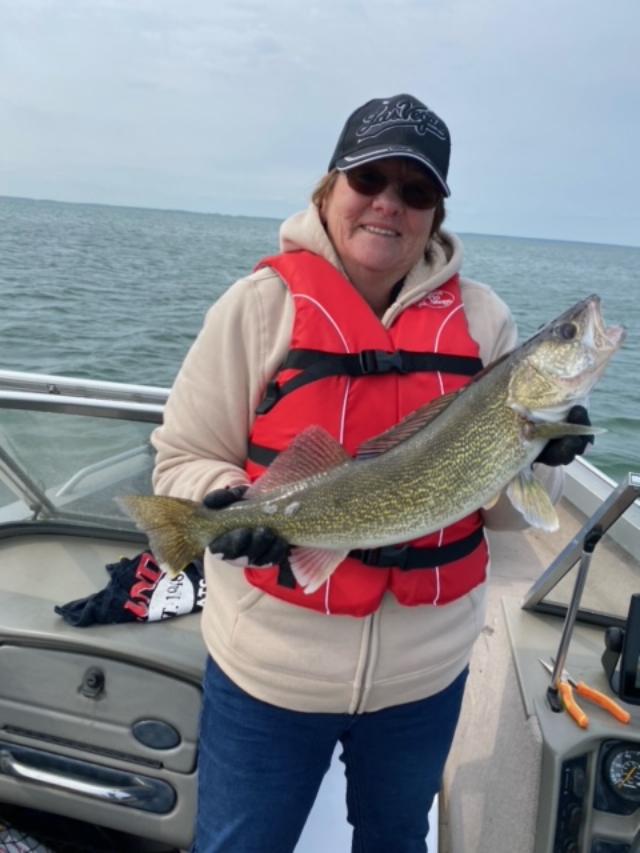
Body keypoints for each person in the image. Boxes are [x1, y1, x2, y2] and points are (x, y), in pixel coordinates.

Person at [152, 93, 592, 853]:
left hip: (423, 680)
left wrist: (540, 458)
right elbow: (181, 455)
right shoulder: (259, 306)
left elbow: (510, 517)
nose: (388, 204)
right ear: (331, 187)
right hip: (270, 675)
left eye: (414, 190)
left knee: (394, 840)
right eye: (369, 180)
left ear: (436, 212)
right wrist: (213, 504)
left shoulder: (486, 323)